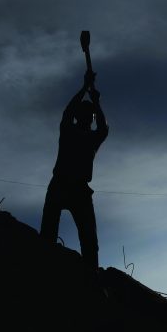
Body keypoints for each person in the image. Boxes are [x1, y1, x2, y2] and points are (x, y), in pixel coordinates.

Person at [40, 71, 108, 271]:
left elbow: (104, 128)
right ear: (79, 115)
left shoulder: (92, 139)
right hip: (60, 184)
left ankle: (92, 278)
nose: (88, 117)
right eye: (84, 113)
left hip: (80, 190)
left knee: (89, 242)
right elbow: (67, 112)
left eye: (91, 115)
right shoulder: (68, 130)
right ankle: (44, 266)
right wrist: (84, 88)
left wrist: (96, 103)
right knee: (48, 233)